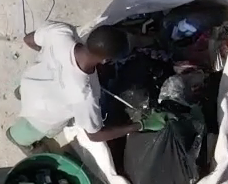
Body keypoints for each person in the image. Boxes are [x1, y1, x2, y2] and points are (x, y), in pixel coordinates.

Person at [15, 21, 144, 145]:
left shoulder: (60, 32)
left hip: (29, 83)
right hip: (41, 111)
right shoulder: (85, 95)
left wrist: (53, 60)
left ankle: (20, 93)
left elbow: (28, 39)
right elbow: (94, 135)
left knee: (30, 90)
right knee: (31, 129)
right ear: (105, 60)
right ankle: (17, 138)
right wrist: (139, 125)